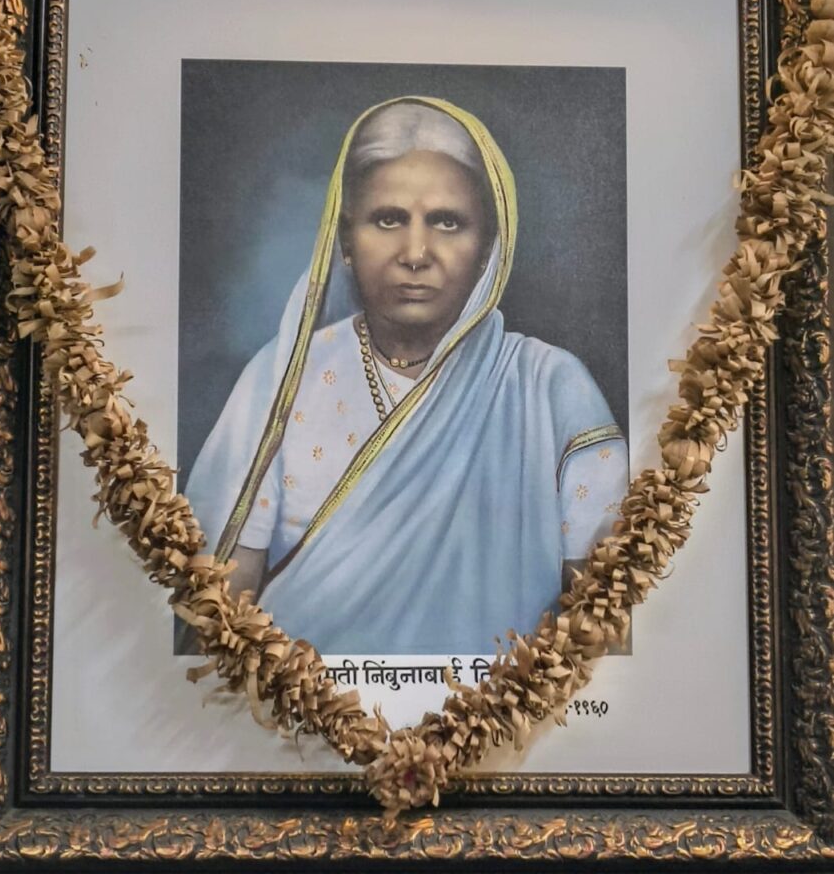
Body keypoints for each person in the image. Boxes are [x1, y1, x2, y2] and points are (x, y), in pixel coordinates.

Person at [185, 97, 628, 655]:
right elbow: (220, 625)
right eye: (388, 219)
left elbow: (606, 635)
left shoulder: (551, 390)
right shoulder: (281, 380)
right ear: (347, 240)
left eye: (447, 222)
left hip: (507, 708)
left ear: (488, 246)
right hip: (297, 706)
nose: (416, 253)